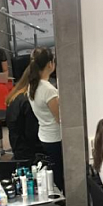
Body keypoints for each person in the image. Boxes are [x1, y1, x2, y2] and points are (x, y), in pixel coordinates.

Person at [26, 48, 64, 191]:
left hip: (44, 135)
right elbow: (59, 118)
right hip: (55, 138)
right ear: (50, 64)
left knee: (54, 171)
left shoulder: (32, 86)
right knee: (59, 174)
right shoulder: (48, 90)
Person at [4, 48, 46, 164]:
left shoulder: (14, 95)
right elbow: (32, 134)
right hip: (28, 153)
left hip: (18, 148)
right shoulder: (27, 102)